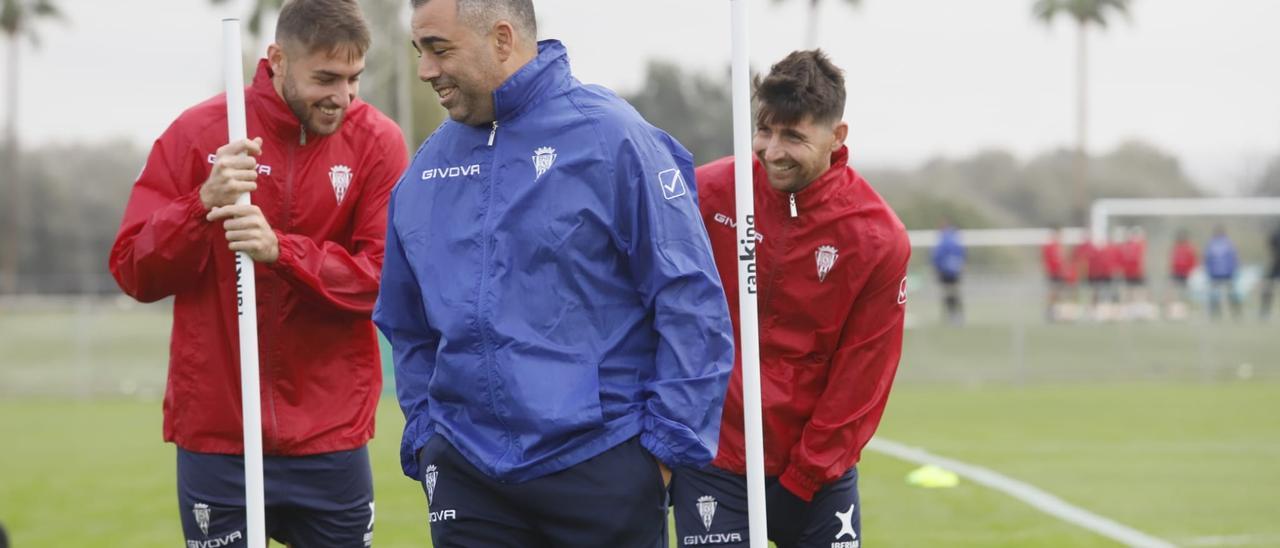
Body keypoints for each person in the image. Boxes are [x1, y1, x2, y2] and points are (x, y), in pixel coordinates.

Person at [373, 1, 734, 546]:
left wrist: (660, 452)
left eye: (439, 49)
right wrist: (429, 442)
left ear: (501, 39)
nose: (425, 69)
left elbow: (690, 302)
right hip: (467, 475)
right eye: (419, 50)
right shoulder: (426, 169)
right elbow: (408, 323)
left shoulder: (613, 138)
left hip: (602, 463)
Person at [108, 1, 407, 545]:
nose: (343, 97)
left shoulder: (377, 143)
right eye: (326, 78)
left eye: (354, 78)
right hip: (218, 438)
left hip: (329, 437)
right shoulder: (201, 133)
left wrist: (282, 252)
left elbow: (383, 280)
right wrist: (201, 203)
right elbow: (133, 269)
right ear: (278, 60)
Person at [670, 50, 911, 548]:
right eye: (765, 130)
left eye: (794, 136)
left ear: (836, 137)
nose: (773, 150)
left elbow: (862, 378)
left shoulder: (876, 237)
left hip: (817, 475)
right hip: (716, 458)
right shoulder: (707, 194)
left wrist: (806, 477)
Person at [1204, 225, 1242, 320]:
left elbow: (1233, 259)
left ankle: (1235, 312)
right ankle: (1215, 313)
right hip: (1219, 274)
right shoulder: (1217, 244)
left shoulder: (1223, 244)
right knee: (1215, 294)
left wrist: (1233, 270)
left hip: (1223, 274)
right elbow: (1208, 259)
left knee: (1229, 293)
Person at [931, 222, 966, 325]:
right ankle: (955, 316)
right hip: (954, 271)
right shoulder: (955, 238)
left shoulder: (944, 240)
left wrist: (937, 268)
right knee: (953, 294)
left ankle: (953, 316)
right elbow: (962, 254)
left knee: (949, 294)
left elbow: (937, 256)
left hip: (946, 272)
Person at [1042, 226, 1078, 321]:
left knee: (1062, 294)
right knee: (1055, 293)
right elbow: (1051, 261)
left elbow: (1063, 260)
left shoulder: (1059, 246)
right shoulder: (1050, 246)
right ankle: (1051, 313)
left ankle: (1061, 314)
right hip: (1055, 274)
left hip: (1061, 274)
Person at [1165, 229, 1198, 320]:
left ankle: (1185, 312)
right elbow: (1172, 260)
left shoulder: (1189, 248)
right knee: (1174, 293)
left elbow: (1193, 261)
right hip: (1176, 273)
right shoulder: (1175, 248)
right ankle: (1173, 312)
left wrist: (1190, 272)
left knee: (1185, 294)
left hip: (1186, 274)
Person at [1259, 224, 1280, 320]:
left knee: (1268, 285)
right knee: (1267, 285)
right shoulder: (1276, 233)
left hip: (1276, 263)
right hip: (1276, 263)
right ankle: (1264, 311)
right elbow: (1270, 243)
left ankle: (1264, 311)